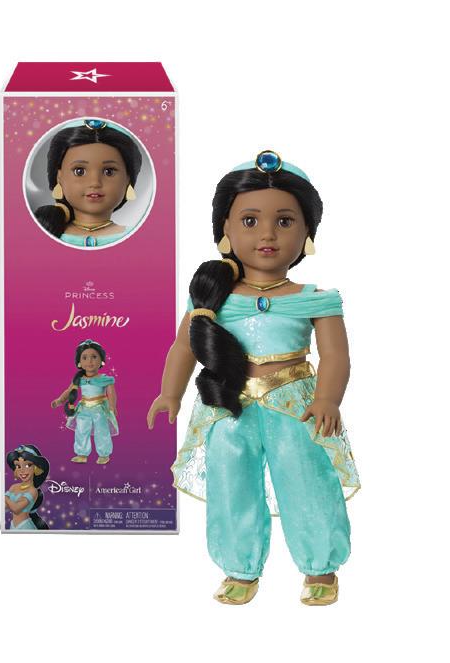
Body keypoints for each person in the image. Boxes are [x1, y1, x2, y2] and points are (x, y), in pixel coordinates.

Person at [147, 150, 360, 605]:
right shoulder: (210, 298)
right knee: (231, 485)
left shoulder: (315, 298)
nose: (267, 233)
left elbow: (336, 356)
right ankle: (239, 567)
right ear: (224, 230)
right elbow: (184, 346)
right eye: (249, 221)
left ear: (308, 233)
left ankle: (320, 566)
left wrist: (327, 399)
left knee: (308, 482)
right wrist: (170, 392)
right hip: (227, 405)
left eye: (285, 221)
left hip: (295, 408)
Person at [35, 119, 142, 247]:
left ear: (128, 179)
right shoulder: (44, 232)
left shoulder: (140, 239)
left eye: (109, 171)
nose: (95, 183)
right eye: (79, 171)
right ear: (59, 177)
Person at [52, 339, 118, 464]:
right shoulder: (79, 379)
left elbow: (111, 393)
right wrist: (60, 400)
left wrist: (112, 406)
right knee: (81, 430)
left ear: (101, 360)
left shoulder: (105, 379)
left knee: (102, 430)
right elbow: (69, 391)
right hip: (83, 409)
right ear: (79, 363)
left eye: (94, 357)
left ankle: (104, 454)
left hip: (100, 409)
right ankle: (82, 453)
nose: (90, 361)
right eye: (85, 358)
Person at [5, 444, 50, 530]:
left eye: (27, 465)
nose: (22, 470)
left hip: (25, 527)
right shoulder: (13, 487)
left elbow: (16, 509)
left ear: (36, 468)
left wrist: (5, 498)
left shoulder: (33, 491)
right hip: (13, 527)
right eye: (18, 466)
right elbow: (4, 507)